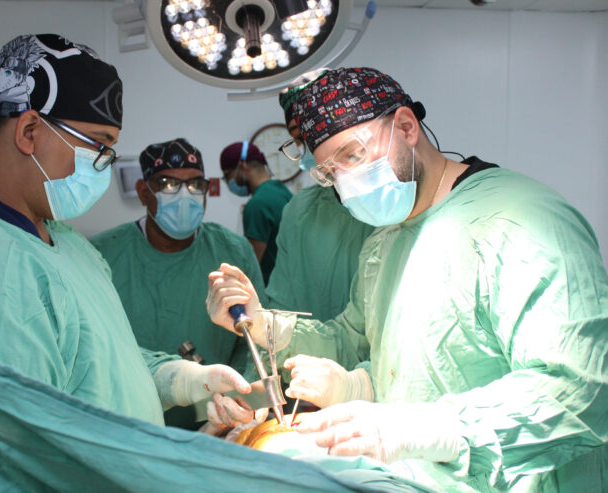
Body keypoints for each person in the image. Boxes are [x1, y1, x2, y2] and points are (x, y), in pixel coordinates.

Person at [206, 67, 608, 491]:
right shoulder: (384, 243)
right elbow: (354, 342)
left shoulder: (522, 221)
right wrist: (267, 326)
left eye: (352, 156)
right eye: (330, 172)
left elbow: (582, 388)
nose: (345, 184)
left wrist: (439, 430)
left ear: (406, 127)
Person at [0, 33, 253, 433]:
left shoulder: (65, 243)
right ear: (28, 131)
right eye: (99, 145)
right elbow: (22, 448)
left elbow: (103, 364)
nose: (103, 165)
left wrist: (179, 380)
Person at [90, 137, 267, 429]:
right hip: (131, 420)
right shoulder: (103, 255)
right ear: (143, 192)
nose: (184, 195)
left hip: (217, 417)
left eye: (196, 185)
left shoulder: (232, 251)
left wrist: (239, 398)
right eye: (168, 184)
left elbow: (254, 342)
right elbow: (93, 347)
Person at [267, 70, 377, 322]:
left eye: (318, 129)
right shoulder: (300, 211)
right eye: (298, 138)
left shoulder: (386, 197)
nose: (311, 145)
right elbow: (282, 303)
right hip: (313, 344)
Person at [220, 141, 292, 284]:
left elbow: (250, 265)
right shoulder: (282, 191)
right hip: (290, 283)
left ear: (242, 166)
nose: (229, 182)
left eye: (228, 176)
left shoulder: (257, 204)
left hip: (270, 288)